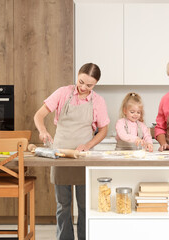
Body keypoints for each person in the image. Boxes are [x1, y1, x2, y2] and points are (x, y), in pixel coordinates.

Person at [33, 63, 110, 240]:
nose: (83, 87)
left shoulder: (98, 101)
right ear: (77, 75)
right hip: (60, 155)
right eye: (81, 81)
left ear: (95, 84)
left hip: (83, 157)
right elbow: (39, 115)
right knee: (63, 205)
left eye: (89, 85)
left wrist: (88, 145)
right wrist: (43, 130)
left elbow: (104, 130)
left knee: (84, 205)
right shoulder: (63, 92)